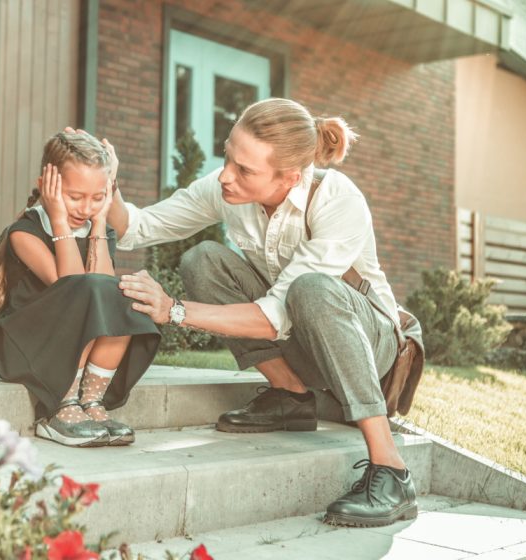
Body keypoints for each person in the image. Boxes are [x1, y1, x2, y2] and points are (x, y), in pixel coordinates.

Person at [109, 98, 420, 527]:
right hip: (302, 338)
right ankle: (291, 396)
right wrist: (104, 184)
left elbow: (275, 317)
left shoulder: (337, 200)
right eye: (227, 157)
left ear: (290, 177)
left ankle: (392, 470)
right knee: (203, 259)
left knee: (310, 289)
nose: (225, 175)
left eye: (244, 170)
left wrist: (175, 310)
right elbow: (139, 226)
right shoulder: (228, 191)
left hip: (372, 344)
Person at [0, 131, 160, 448]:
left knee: (121, 296)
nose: (86, 207)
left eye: (96, 197)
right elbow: (73, 290)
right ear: (47, 186)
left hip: (68, 341)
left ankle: (90, 401)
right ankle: (60, 407)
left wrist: (99, 223)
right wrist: (60, 221)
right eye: (75, 196)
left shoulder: (97, 224)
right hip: (27, 348)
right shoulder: (25, 232)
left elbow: (103, 293)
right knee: (90, 291)